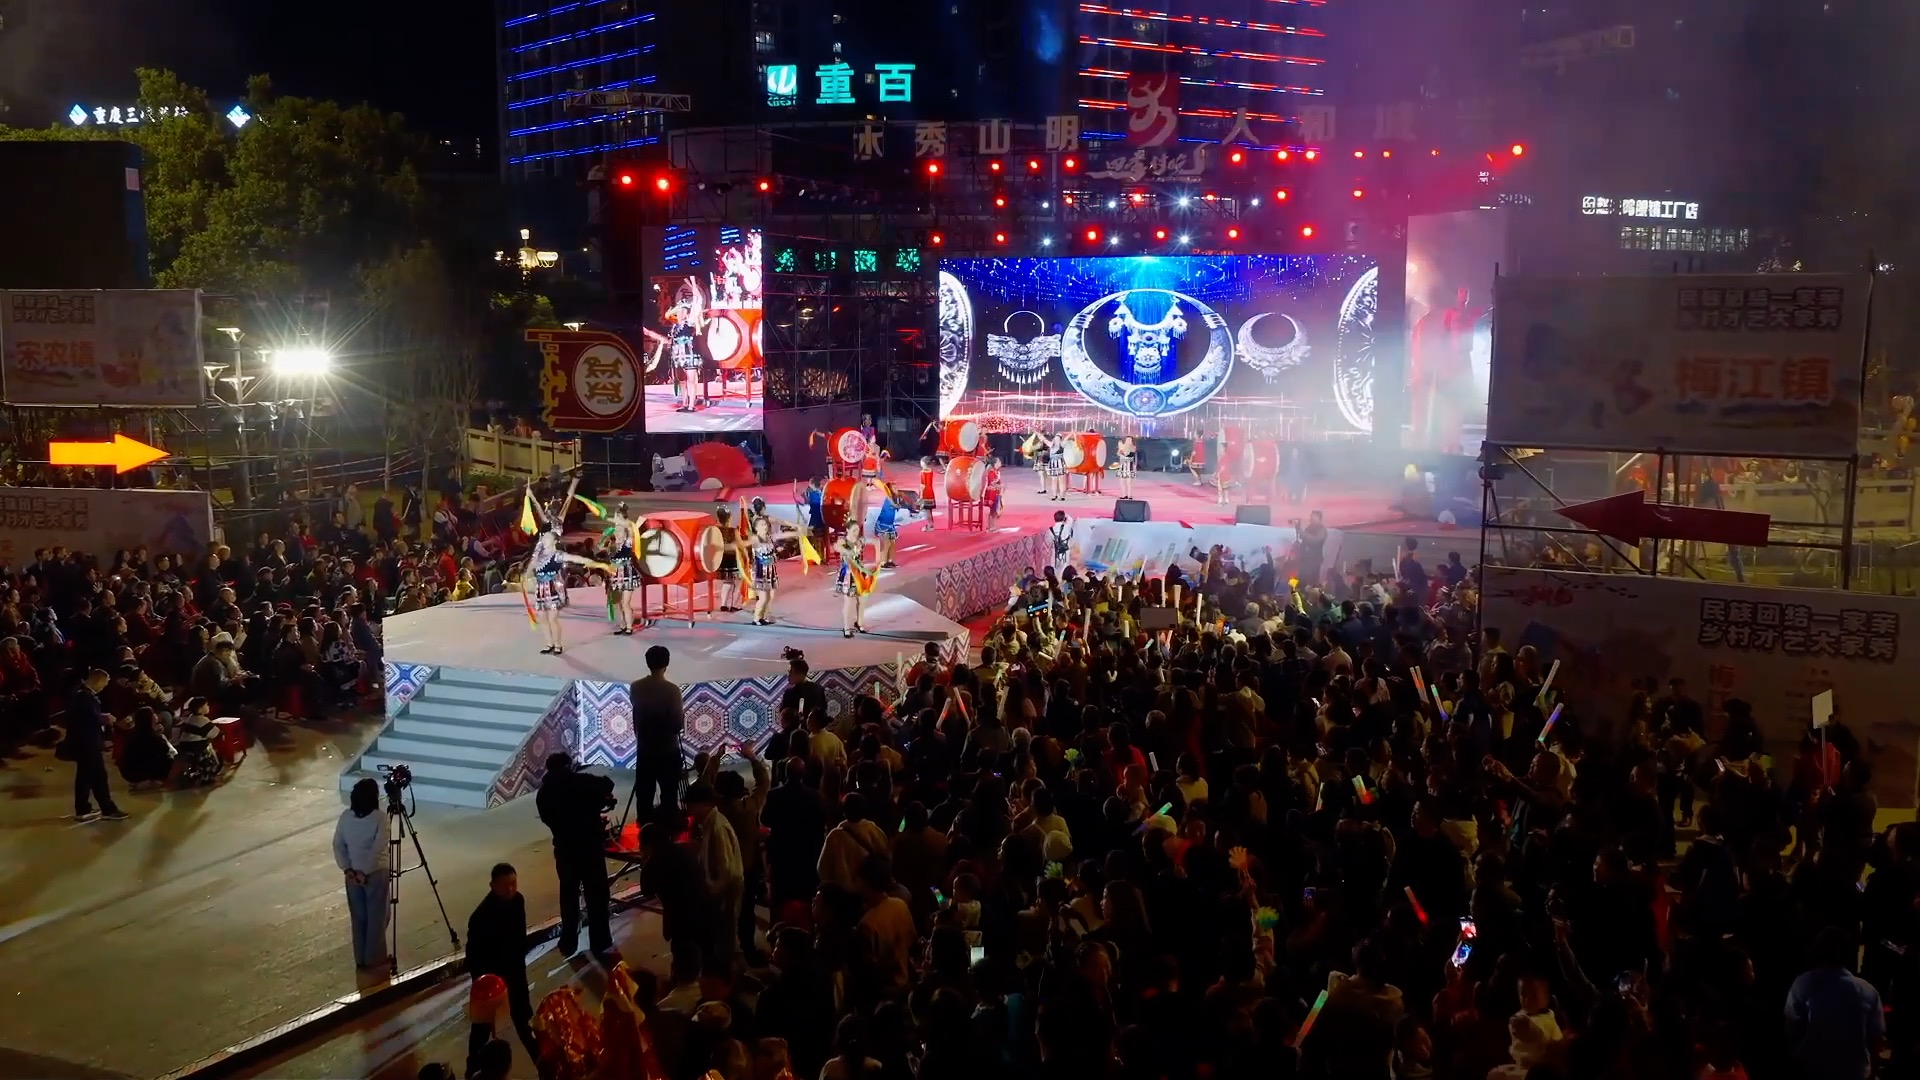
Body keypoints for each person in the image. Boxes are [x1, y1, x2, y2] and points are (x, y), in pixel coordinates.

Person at [535, 753, 616, 959]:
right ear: (568, 765)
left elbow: (548, 818)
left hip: (565, 849)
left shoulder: (543, 794)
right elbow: (607, 784)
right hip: (590, 847)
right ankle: (600, 941)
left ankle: (568, 941)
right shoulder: (581, 781)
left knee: (569, 896)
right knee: (596, 896)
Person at [465, 863, 539, 1065]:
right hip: (490, 982)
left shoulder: (518, 901)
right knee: (481, 1030)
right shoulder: (480, 918)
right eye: (504, 885)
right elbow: (473, 957)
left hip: (515, 975)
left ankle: (543, 1064)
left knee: (524, 1023)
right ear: (492, 886)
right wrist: (484, 985)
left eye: (514, 883)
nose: (510, 889)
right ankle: (473, 1068)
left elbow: (520, 939)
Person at [686, 780, 745, 968]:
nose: (688, 809)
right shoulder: (709, 823)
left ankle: (730, 975)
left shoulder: (717, 826)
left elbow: (727, 870)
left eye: (690, 804)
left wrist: (711, 891)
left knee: (726, 941)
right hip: (721, 895)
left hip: (724, 896)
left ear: (701, 804)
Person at [332, 777, 389, 969]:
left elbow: (338, 845)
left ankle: (360, 958)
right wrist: (365, 873)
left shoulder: (345, 817)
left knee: (358, 918)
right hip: (375, 874)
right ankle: (375, 958)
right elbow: (378, 849)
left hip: (352, 875)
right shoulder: (380, 818)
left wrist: (348, 869)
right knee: (377, 917)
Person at [63, 668, 128, 822]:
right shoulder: (85, 697)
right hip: (88, 743)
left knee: (84, 776)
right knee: (99, 777)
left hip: (82, 742)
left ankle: (82, 809)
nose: (104, 687)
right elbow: (90, 718)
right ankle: (108, 809)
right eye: (104, 683)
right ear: (98, 680)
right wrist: (104, 719)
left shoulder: (79, 694)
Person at [631, 645, 686, 823]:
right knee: (669, 793)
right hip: (668, 749)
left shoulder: (636, 687)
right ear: (666, 664)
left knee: (644, 794)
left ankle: (645, 828)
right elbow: (677, 725)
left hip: (645, 748)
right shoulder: (672, 690)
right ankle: (668, 827)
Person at [599, 502, 642, 635]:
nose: (617, 531)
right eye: (616, 529)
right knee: (616, 602)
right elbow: (599, 547)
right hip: (615, 575)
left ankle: (629, 627)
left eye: (619, 529)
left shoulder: (627, 542)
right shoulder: (611, 544)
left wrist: (620, 515)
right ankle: (622, 625)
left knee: (625, 603)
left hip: (627, 574)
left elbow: (629, 526)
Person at [837, 522, 875, 637]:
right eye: (854, 530)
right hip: (848, 574)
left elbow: (875, 541)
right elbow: (837, 547)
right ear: (847, 530)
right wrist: (848, 551)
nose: (856, 532)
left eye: (857, 529)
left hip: (859, 572)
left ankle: (859, 623)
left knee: (862, 600)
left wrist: (879, 559)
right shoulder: (843, 541)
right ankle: (846, 627)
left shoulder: (860, 541)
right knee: (848, 602)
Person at [714, 505, 744, 612]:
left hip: (721, 560)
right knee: (739, 582)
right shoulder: (733, 531)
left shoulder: (715, 530)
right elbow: (740, 545)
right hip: (732, 560)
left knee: (727, 582)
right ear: (730, 518)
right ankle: (734, 605)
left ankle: (723, 604)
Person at [916, 456, 938, 532]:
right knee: (930, 509)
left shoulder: (922, 472)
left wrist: (921, 496)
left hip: (925, 492)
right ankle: (931, 524)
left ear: (923, 463)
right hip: (930, 491)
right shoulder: (931, 471)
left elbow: (922, 485)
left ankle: (930, 525)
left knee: (927, 510)